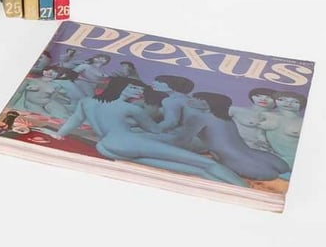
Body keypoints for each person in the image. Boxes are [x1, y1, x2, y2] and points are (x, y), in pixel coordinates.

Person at [54, 78, 248, 187]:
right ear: (120, 87)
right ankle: (245, 190)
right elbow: (155, 130)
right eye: (133, 87)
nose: (139, 91)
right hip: (126, 142)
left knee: (195, 171)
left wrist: (60, 134)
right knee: (207, 164)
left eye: (140, 88)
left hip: (105, 146)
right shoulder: (131, 108)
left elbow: (75, 120)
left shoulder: (87, 102)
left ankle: (236, 190)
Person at [177, 93, 290, 180]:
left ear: (208, 103)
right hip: (261, 156)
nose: (191, 100)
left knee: (270, 175)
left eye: (197, 98)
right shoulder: (225, 118)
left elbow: (183, 140)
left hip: (234, 160)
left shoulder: (199, 117)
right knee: (283, 169)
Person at [259, 91, 307, 166]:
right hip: (271, 157)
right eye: (282, 99)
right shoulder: (266, 115)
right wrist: (261, 138)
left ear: (301, 105)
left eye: (295, 102)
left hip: (293, 160)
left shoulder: (303, 122)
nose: (288, 103)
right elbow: (258, 133)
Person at [229, 87, 277, 152]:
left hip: (264, 151)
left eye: (269, 97)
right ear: (252, 97)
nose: (263, 99)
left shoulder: (279, 118)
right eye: (258, 96)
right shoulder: (237, 110)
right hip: (236, 146)